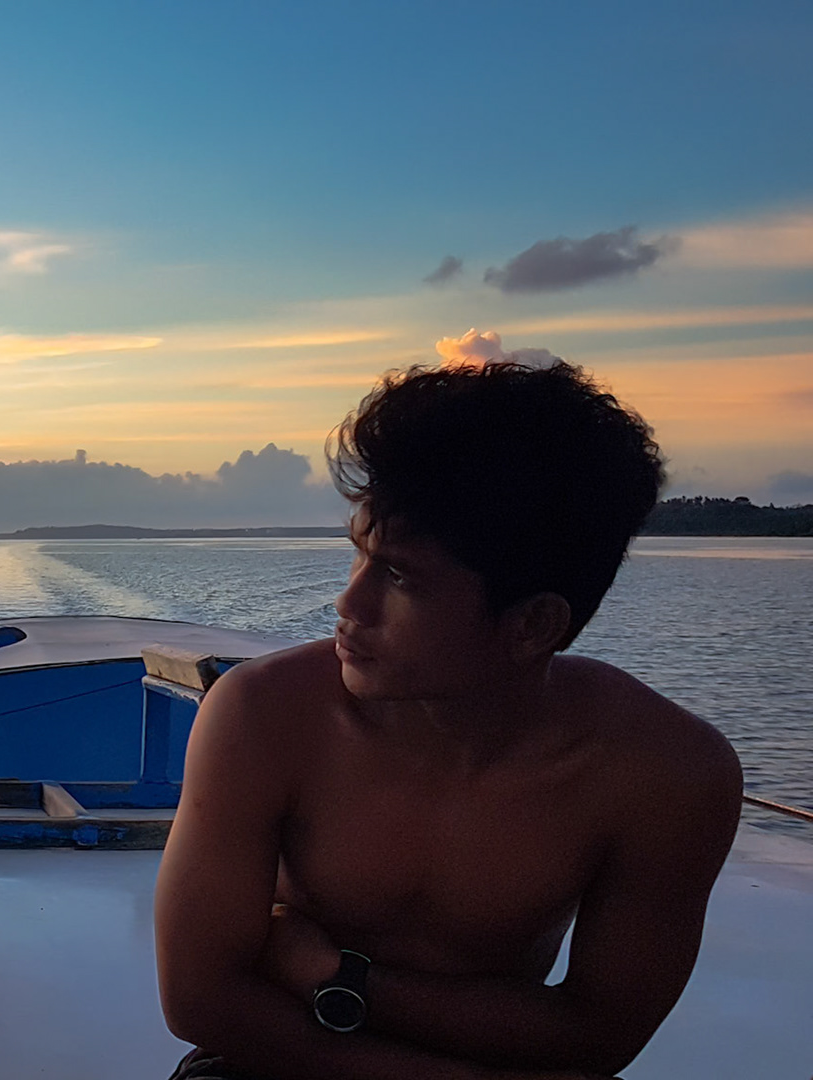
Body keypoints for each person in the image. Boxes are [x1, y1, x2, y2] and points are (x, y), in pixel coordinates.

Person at [153, 359, 744, 1080]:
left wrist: (336, 977)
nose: (349, 606)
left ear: (532, 625)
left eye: (400, 578)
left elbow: (597, 1036)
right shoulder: (263, 715)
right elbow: (201, 1001)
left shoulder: (664, 775)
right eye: (359, 557)